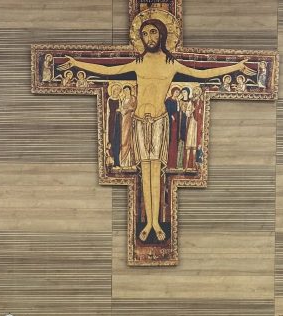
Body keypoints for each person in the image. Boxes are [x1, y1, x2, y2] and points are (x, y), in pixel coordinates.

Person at [64, 18, 254, 243]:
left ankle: (155, 222)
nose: (149, 38)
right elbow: (108, 70)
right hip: (138, 121)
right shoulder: (138, 62)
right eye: (145, 34)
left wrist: (235, 67)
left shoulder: (171, 64)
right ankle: (149, 223)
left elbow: (202, 74)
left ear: (162, 34)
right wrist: (77, 63)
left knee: (156, 173)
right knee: (145, 172)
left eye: (153, 32)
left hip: (159, 121)